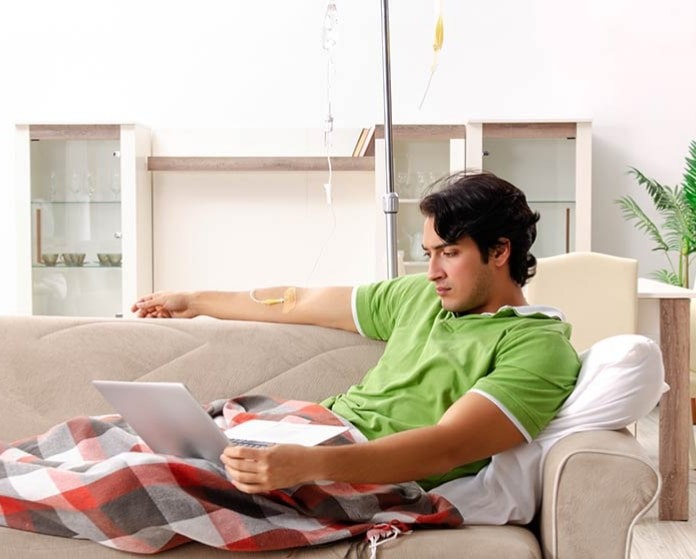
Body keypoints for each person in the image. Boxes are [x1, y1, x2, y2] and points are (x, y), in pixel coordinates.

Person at [132, 171, 581, 496]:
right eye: (428, 253)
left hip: (357, 469)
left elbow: (449, 447)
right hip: (313, 431)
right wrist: (192, 302)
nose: (432, 272)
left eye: (449, 253)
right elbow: (298, 300)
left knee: (142, 481)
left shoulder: (538, 346)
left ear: (500, 250)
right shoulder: (420, 297)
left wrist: (310, 467)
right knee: (116, 439)